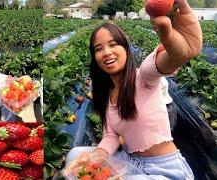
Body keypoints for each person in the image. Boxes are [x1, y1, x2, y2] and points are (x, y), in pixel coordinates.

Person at [64, 0, 202, 179]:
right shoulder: (107, 96)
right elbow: (111, 136)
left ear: (126, 50)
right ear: (95, 58)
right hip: (131, 162)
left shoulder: (143, 77)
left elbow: (163, 62)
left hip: (164, 171)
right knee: (75, 155)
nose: (106, 52)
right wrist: (94, 159)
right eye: (99, 49)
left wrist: (178, 53)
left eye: (113, 45)